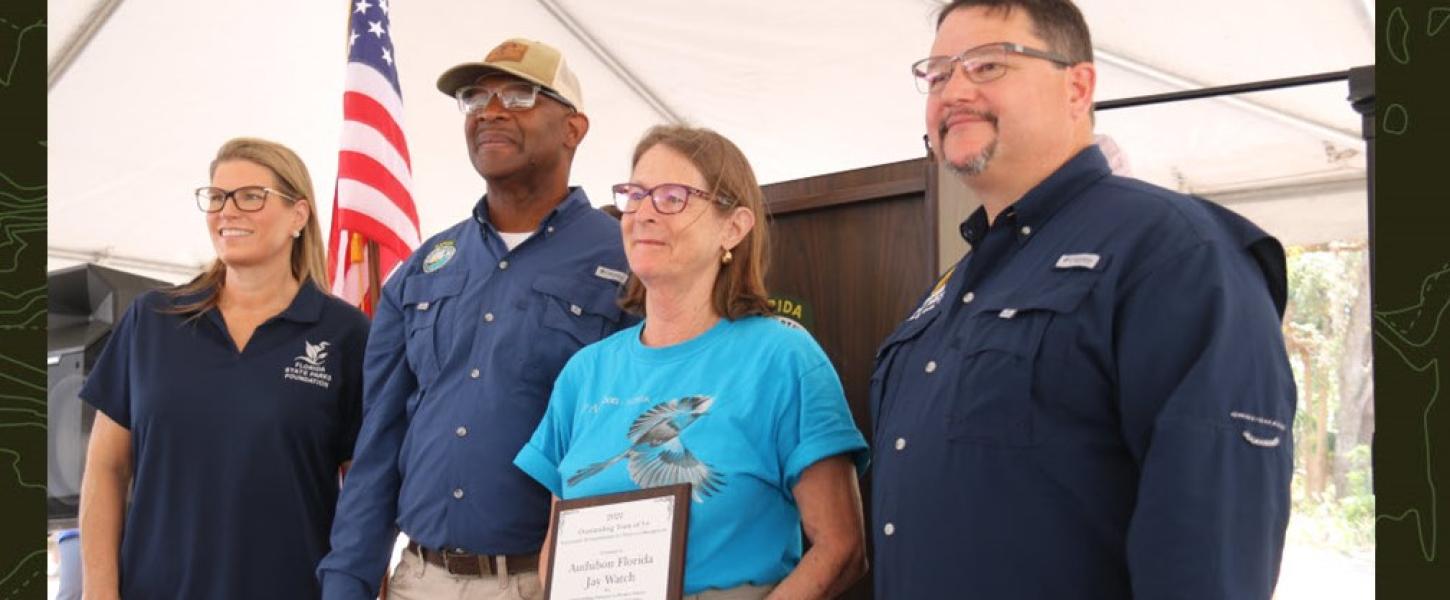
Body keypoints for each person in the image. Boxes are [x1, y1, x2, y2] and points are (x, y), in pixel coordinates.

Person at [871, 1, 1297, 598]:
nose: (954, 91)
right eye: (938, 74)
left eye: (987, 65)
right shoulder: (958, 284)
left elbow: (1211, 547)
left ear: (1078, 86)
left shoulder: (1175, 252)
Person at [319, 39, 633, 600]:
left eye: (519, 95)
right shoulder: (424, 268)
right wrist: (348, 580)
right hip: (421, 578)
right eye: (474, 98)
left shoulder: (628, 261)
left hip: (556, 581)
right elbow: (380, 440)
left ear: (573, 129)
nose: (490, 111)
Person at [515, 125, 869, 600]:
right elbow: (556, 546)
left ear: (734, 226)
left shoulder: (782, 356)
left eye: (672, 197)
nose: (643, 213)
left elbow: (841, 548)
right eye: (635, 194)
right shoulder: (584, 372)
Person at [78, 137, 370, 599]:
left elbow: (365, 491)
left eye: (251, 196)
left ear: (299, 215)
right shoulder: (152, 319)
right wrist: (99, 591)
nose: (227, 211)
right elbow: (106, 468)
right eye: (216, 197)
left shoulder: (346, 333)